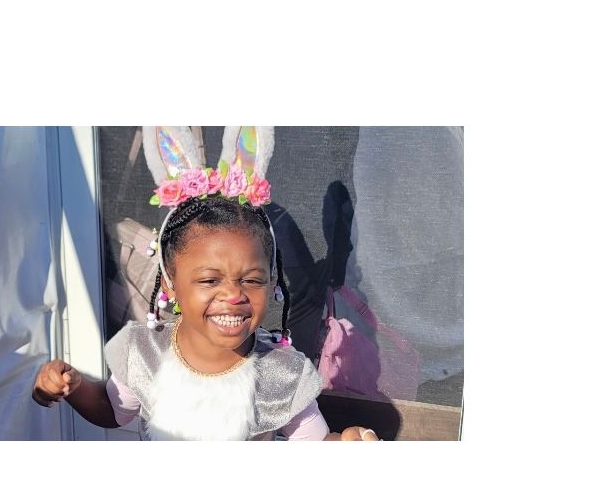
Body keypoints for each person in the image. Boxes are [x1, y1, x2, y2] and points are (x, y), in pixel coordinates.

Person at [31, 126, 379, 441]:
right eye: (210, 279)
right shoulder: (144, 352)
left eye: (251, 280)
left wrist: (345, 441)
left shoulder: (281, 372)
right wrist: (73, 387)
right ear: (170, 283)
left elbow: (314, 442)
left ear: (271, 281)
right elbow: (113, 410)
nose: (233, 294)